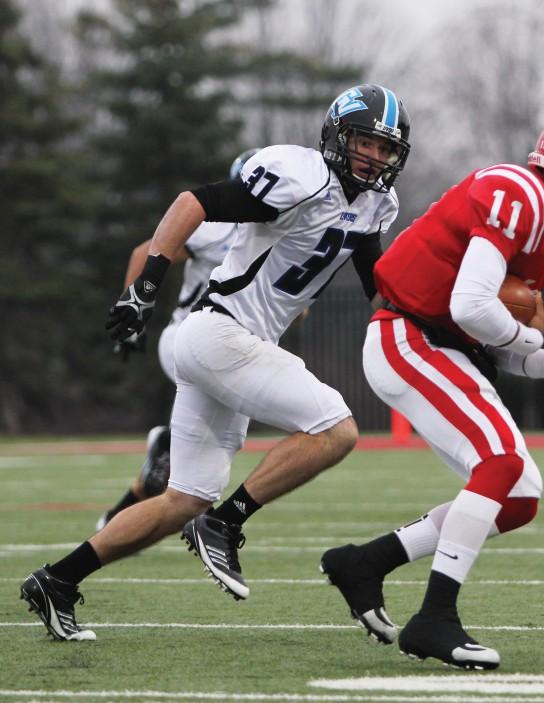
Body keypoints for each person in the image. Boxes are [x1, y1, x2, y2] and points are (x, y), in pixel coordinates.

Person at [19, 83, 411, 641]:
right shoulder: (300, 177)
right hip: (219, 333)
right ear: (336, 135)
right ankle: (226, 522)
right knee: (337, 429)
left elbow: (380, 286)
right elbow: (193, 202)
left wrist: (436, 321)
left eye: (385, 149)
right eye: (364, 142)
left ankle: (57, 580)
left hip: (232, 344)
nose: (373, 156)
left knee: (182, 498)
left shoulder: (376, 205)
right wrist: (145, 288)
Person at [319, 109, 544, 670]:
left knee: (519, 496)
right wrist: (526, 336)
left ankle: (365, 563)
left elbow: (484, 334)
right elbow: (471, 308)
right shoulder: (519, 193)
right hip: (409, 335)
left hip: (444, 346)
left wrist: (541, 362)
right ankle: (435, 618)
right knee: (499, 462)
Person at [96, 148, 260, 531]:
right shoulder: (217, 225)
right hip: (185, 336)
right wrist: (132, 311)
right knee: (212, 435)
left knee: (196, 454)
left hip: (232, 347)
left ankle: (119, 515)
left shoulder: (286, 234)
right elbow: (147, 250)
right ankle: (208, 506)